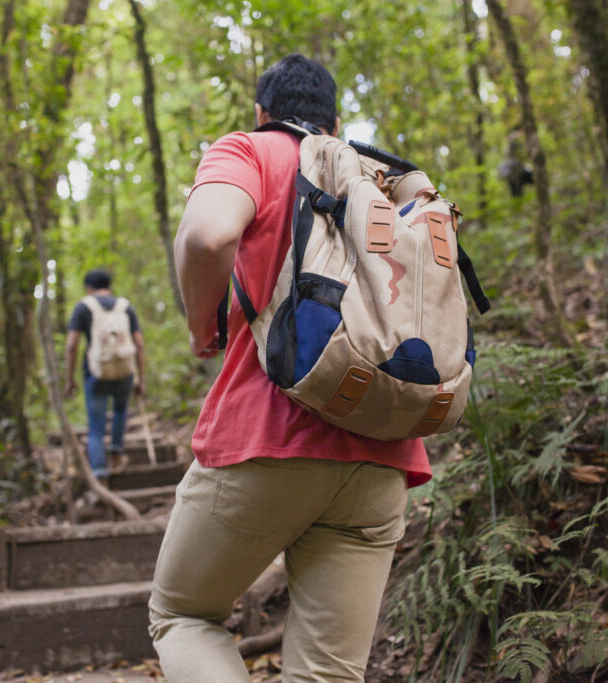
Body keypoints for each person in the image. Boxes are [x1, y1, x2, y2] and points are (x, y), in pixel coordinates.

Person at [148, 54, 433, 682]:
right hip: (381, 454)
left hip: (267, 435)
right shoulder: (382, 172)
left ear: (261, 113)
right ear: (334, 119)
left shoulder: (249, 150)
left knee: (182, 616)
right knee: (328, 674)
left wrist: (205, 323)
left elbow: (206, 237)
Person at [64, 268, 145, 478]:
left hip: (95, 373)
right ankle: (116, 451)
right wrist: (141, 379)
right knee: (120, 410)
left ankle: (99, 472)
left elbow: (72, 345)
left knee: (96, 426)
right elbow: (139, 344)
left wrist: (69, 378)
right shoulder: (126, 307)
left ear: (89, 287)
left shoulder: (83, 307)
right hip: (125, 372)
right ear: (109, 286)